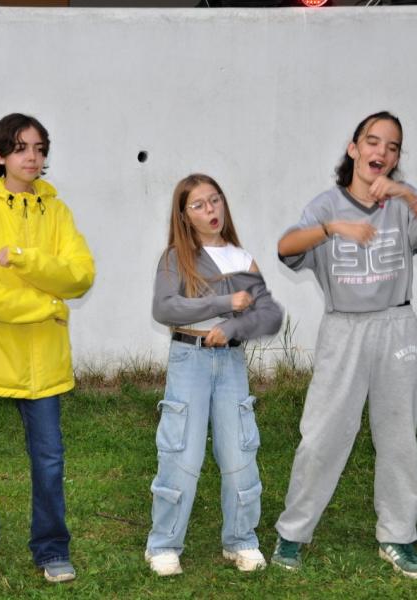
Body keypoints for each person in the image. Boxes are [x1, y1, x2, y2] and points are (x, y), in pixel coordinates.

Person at [0, 113, 95, 587]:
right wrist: (45, 305)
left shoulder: (58, 212)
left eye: (39, 148)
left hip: (41, 360)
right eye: (20, 148)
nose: (32, 157)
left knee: (49, 459)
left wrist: (24, 259)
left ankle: (52, 549)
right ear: (0, 156)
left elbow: (80, 276)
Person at [273, 111, 417, 578]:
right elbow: (286, 247)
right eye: (373, 141)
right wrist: (334, 228)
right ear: (354, 148)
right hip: (344, 329)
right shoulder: (326, 206)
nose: (382, 152)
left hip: (396, 325)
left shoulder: (403, 204)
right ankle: (293, 533)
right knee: (323, 434)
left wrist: (407, 194)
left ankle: (398, 535)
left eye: (392, 147)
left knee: (399, 436)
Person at [145, 173, 282, 576]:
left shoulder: (242, 258)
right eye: (199, 205)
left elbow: (268, 316)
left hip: (231, 364)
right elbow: (164, 308)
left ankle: (241, 539)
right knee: (181, 452)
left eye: (215, 200)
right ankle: (164, 544)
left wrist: (233, 327)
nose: (210, 210)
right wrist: (223, 303)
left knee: (240, 450)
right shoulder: (176, 257)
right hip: (189, 359)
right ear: (184, 215)